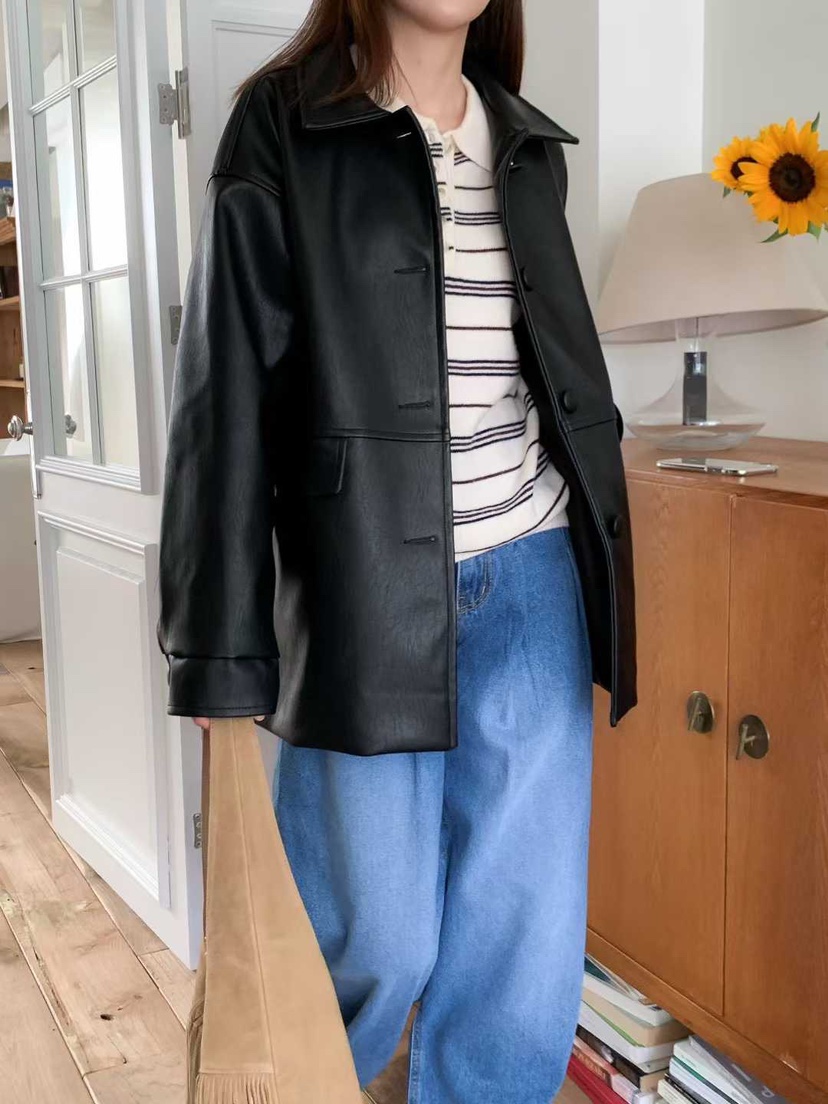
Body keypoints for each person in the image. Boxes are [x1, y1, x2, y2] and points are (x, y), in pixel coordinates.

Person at [156, 2, 637, 1101]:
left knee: (520, 954)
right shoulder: (285, 124)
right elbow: (225, 399)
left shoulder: (526, 145)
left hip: (535, 580)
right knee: (370, 940)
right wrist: (217, 650)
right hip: (362, 585)